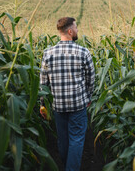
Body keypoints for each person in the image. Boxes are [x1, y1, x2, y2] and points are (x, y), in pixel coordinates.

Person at [39, 17, 95, 171]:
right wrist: (88, 97)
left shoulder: (48, 53)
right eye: (76, 28)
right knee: (76, 139)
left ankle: (68, 166)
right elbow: (91, 79)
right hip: (78, 105)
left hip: (58, 105)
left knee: (63, 141)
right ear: (70, 31)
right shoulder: (84, 52)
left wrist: (43, 104)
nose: (77, 30)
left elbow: (43, 83)